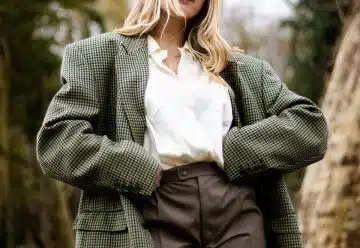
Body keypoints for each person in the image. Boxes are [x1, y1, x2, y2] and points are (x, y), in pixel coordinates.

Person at [35, 0, 328, 247]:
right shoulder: (97, 56)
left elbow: (310, 127)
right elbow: (59, 142)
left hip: (236, 211)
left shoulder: (239, 68)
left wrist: (235, 150)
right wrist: (135, 165)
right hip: (151, 211)